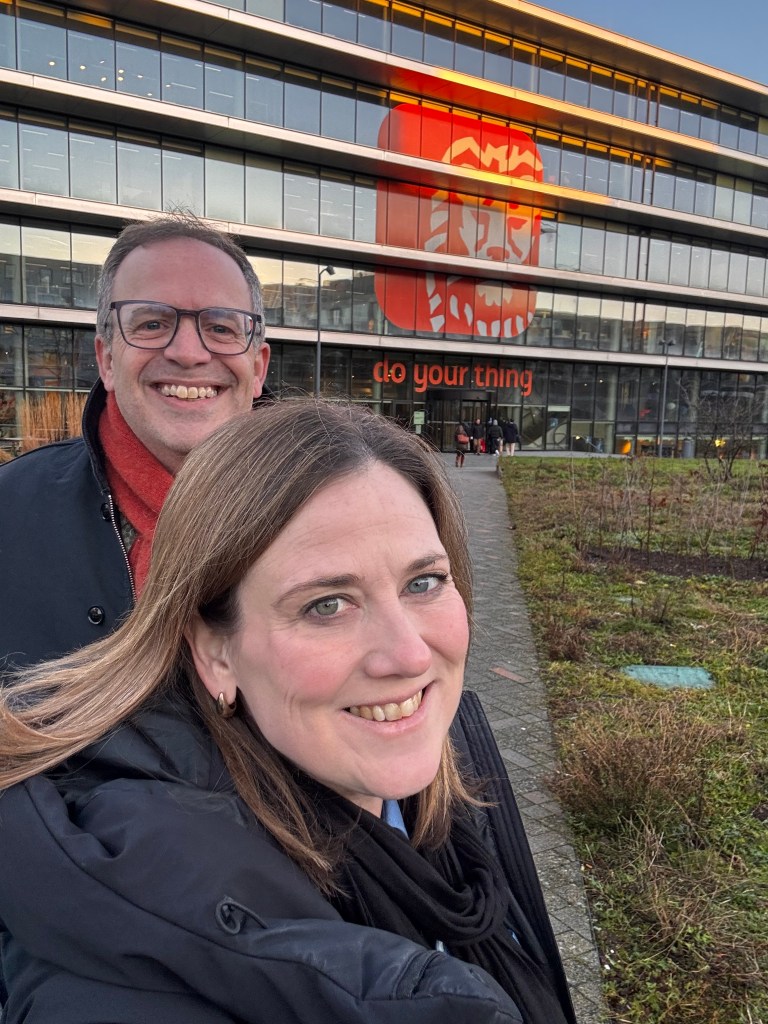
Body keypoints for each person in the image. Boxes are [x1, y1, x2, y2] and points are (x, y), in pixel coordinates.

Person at [0, 400, 575, 1024]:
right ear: (214, 652)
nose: (408, 655)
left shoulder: (434, 777)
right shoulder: (130, 979)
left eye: (423, 583)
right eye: (327, 605)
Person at [0, 214, 271, 671]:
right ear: (106, 360)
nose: (189, 353)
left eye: (222, 327)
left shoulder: (330, 508)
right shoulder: (9, 511)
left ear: (259, 367)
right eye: (151, 324)